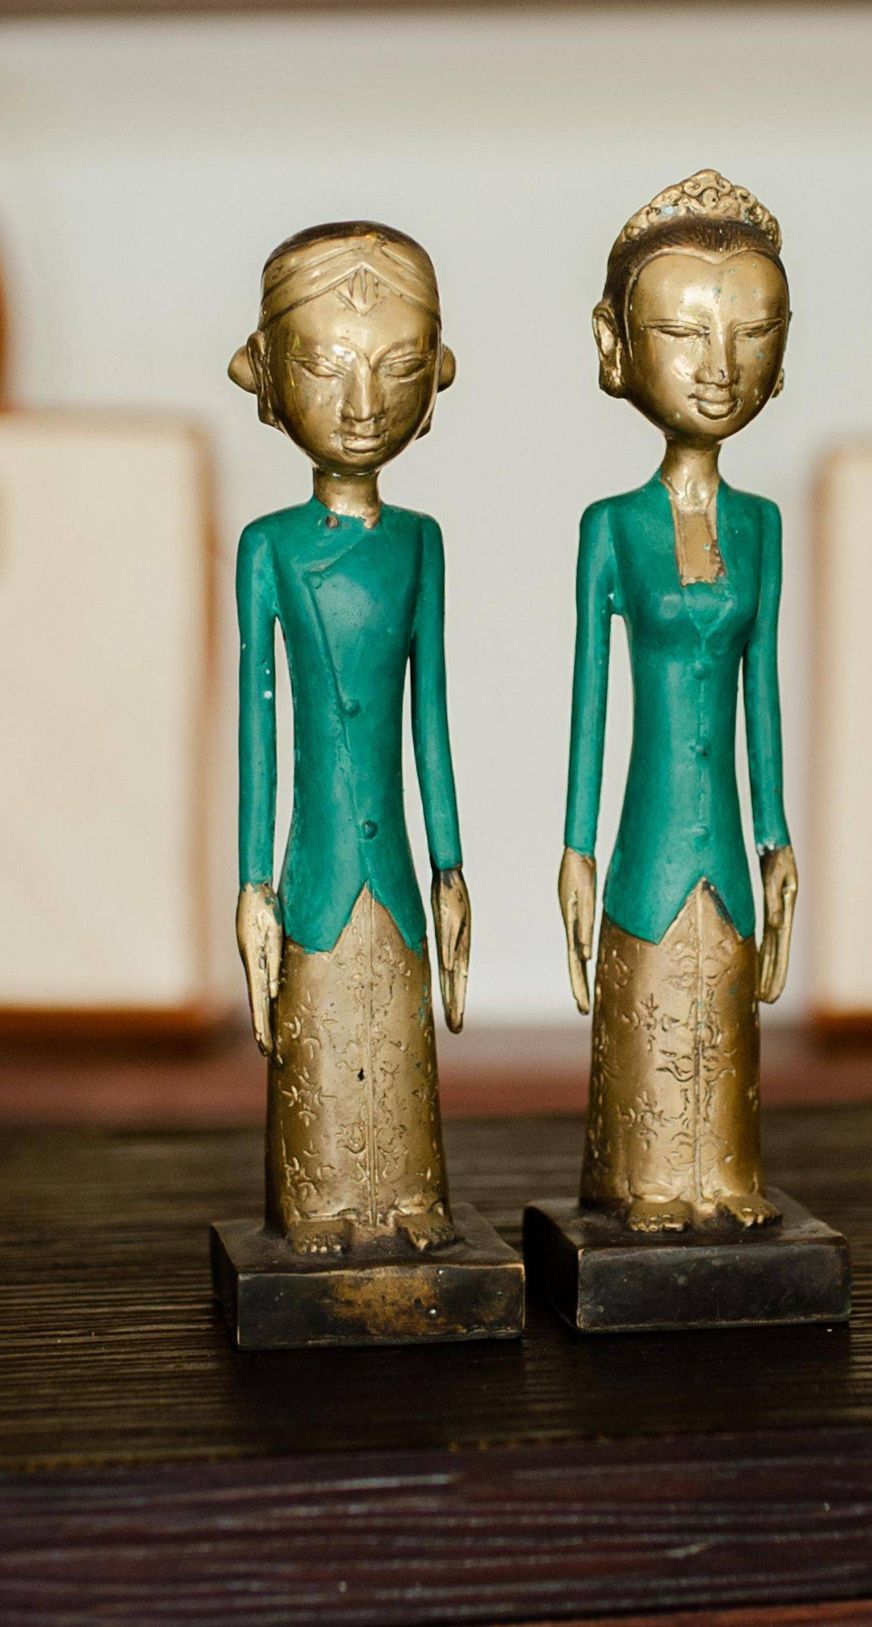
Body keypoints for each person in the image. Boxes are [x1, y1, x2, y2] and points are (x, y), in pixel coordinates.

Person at [559, 171, 798, 1233]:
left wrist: (778, 838)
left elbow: (764, 694)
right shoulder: (611, 526)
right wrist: (574, 849)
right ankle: (647, 1179)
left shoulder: (762, 526)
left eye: (752, 333)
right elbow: (590, 701)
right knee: (656, 994)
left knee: (721, 1006)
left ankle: (724, 1177)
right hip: (648, 833)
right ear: (619, 347)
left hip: (730, 838)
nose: (720, 367)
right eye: (685, 334)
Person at [229, 222, 470, 1255]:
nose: (365, 404)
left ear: (436, 378)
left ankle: (408, 1199)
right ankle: (319, 1201)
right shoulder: (271, 547)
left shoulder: (420, 542)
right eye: (328, 366)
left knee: (394, 1026)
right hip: (318, 863)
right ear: (268, 376)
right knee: (325, 1029)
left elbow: (431, 719)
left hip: (398, 870)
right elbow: (258, 723)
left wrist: (451, 866)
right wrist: (253, 885)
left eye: (397, 367)